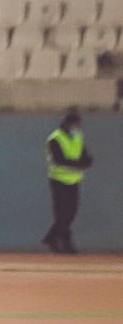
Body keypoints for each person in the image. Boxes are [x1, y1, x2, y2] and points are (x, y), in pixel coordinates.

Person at [43, 109, 93, 254]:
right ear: (67, 123)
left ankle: (52, 238)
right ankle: (65, 244)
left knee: (71, 212)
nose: (77, 127)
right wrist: (79, 164)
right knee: (62, 213)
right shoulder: (55, 138)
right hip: (58, 180)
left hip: (74, 180)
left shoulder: (78, 137)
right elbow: (59, 160)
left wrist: (84, 162)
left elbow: (86, 156)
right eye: (75, 124)